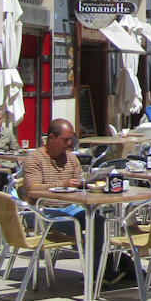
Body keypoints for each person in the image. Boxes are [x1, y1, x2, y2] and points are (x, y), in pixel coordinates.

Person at [22, 118, 127, 284]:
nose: (69, 143)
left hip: (69, 207)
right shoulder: (34, 159)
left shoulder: (71, 159)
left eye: (71, 139)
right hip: (40, 211)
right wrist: (61, 184)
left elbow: (79, 183)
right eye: (65, 140)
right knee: (76, 225)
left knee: (98, 221)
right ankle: (100, 269)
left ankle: (97, 271)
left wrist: (92, 182)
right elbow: (32, 189)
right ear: (51, 138)